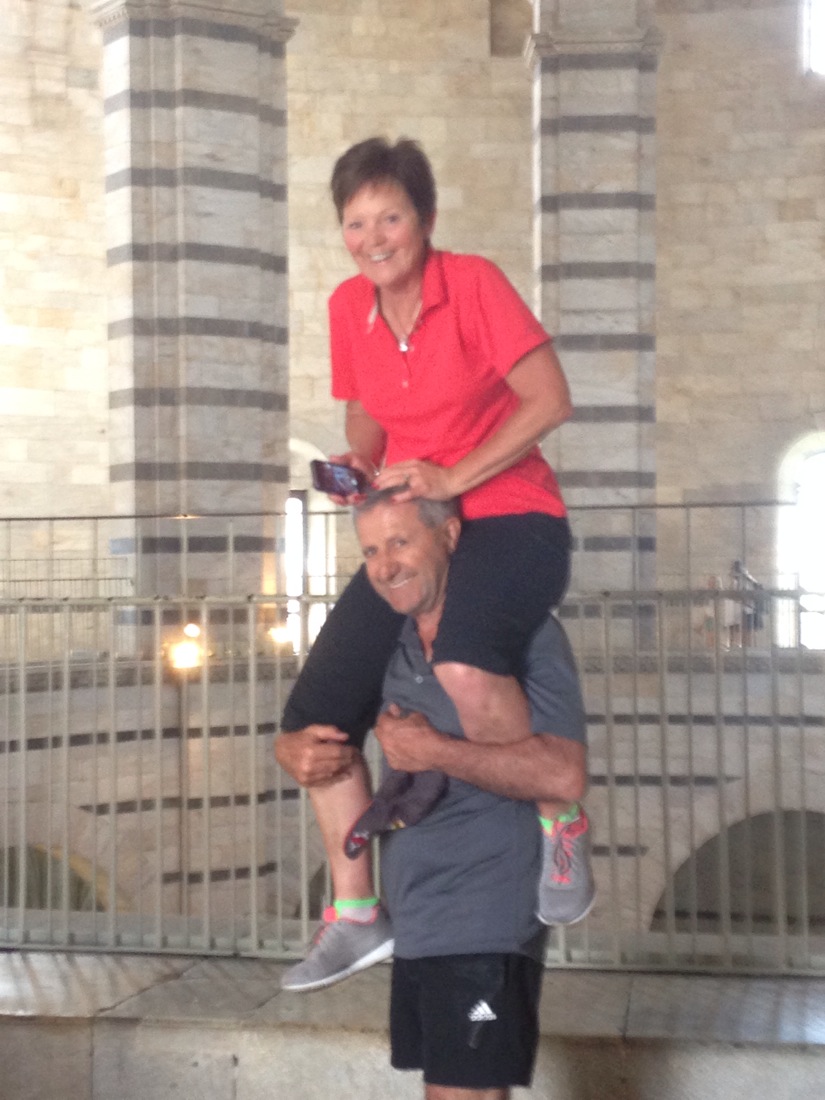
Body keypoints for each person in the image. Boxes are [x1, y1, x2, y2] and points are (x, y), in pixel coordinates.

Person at [279, 136, 591, 985]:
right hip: (415, 523)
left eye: (389, 218)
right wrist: (362, 467)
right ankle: (355, 913)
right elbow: (363, 411)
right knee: (315, 714)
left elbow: (550, 400)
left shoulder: (475, 283)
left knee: (460, 662)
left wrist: (454, 476)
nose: (372, 239)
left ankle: (560, 823)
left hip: (511, 514)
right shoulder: (349, 306)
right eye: (355, 223)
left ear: (425, 220)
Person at [279, 491, 589, 1098]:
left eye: (400, 543)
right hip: (418, 913)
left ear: (449, 536)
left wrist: (436, 750)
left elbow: (561, 776)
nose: (385, 565)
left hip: (487, 912)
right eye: (371, 551)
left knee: (462, 1093)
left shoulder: (524, 634)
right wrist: (290, 748)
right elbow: (325, 732)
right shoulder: (390, 644)